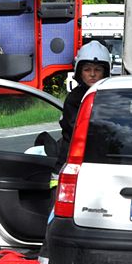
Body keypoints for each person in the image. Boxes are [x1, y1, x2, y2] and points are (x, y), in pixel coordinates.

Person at [53, 40, 112, 172]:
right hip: (73, 160)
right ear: (80, 72)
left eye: (97, 69)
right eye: (87, 69)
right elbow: (79, 130)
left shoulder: (111, 97)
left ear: (105, 71)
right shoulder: (74, 99)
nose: (92, 74)